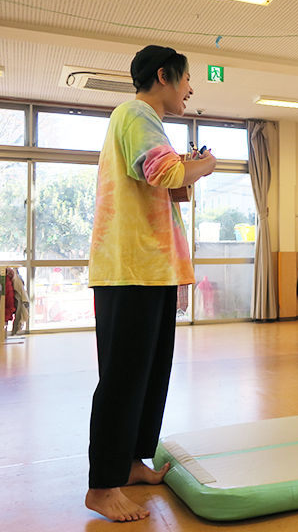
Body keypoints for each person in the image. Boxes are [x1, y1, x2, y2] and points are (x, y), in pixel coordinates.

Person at [86, 45, 217, 522]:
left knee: (150, 373)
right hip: (131, 269)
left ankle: (130, 462)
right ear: (164, 76)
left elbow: (166, 185)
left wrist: (185, 170)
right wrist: (205, 164)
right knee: (124, 378)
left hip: (151, 269)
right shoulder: (136, 112)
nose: (190, 89)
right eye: (187, 79)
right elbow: (163, 171)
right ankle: (102, 486)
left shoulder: (145, 121)